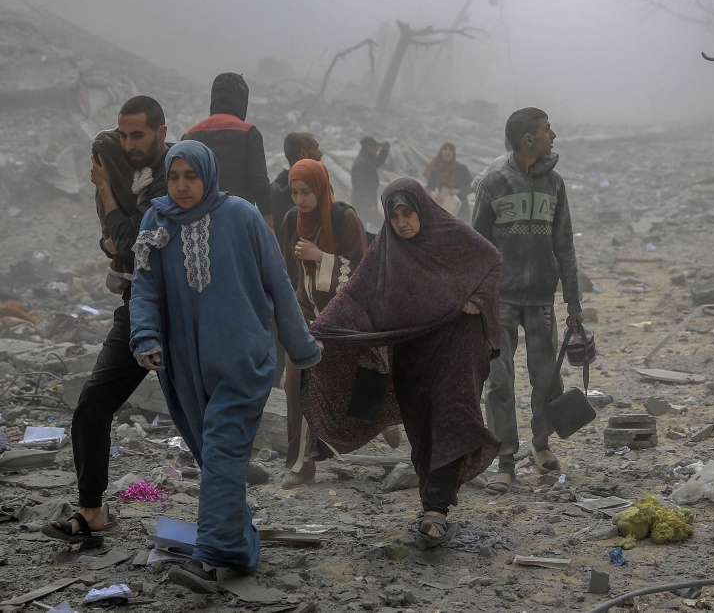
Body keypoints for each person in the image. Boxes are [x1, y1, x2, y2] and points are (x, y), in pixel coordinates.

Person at [129, 140, 322, 591]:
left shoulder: (242, 217)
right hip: (185, 366)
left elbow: (278, 281)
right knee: (213, 456)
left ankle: (208, 558)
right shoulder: (156, 221)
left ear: (208, 175)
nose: (181, 187)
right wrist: (145, 336)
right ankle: (239, 548)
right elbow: (144, 289)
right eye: (173, 177)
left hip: (242, 358)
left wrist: (302, 346)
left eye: (190, 177)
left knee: (220, 450)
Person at [301, 177, 501, 548]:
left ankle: (435, 510)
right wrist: (322, 329)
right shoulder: (386, 251)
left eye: (409, 214)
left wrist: (477, 295)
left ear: (422, 210)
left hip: (457, 346)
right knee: (423, 427)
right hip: (414, 353)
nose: (402, 223)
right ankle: (433, 500)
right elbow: (356, 294)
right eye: (394, 217)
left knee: (453, 416)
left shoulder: (450, 233)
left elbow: (489, 258)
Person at [44, 96, 169, 547]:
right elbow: (117, 243)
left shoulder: (171, 177)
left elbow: (131, 241)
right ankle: (92, 509)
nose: (129, 142)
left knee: (203, 416)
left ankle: (224, 519)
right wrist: (114, 235)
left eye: (138, 134)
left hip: (180, 311)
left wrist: (106, 194)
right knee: (93, 405)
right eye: (124, 134)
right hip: (138, 307)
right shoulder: (130, 174)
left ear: (161, 131)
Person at [472, 107, 584, 494]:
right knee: (500, 382)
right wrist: (474, 297)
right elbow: (477, 246)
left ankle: (541, 444)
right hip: (499, 300)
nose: (553, 136)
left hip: (540, 299)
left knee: (546, 379)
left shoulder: (555, 183)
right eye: (547, 131)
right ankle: (505, 461)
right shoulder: (493, 184)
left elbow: (564, 244)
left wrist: (573, 300)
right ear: (528, 140)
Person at [278, 158, 372, 488]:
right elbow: (288, 270)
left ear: (320, 187)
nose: (301, 200)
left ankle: (379, 420)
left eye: (307, 192)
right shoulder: (291, 220)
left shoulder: (344, 218)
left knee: (345, 386)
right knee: (295, 382)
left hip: (342, 317)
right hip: (305, 313)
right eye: (294, 192)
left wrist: (321, 257)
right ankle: (301, 463)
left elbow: (363, 272)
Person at [182, 72, 273, 229]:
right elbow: (260, 183)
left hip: (196, 227)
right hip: (237, 225)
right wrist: (269, 225)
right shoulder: (249, 133)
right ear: (242, 100)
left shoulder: (189, 135)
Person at [271, 132, 323, 233]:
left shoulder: (273, 189)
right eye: (316, 148)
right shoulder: (318, 186)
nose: (320, 153)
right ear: (304, 154)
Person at [424, 142, 473, 221]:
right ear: (441, 152)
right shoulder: (437, 170)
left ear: (453, 153)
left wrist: (459, 191)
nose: (447, 151)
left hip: (460, 208)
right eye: (445, 149)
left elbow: (472, 186)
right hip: (443, 206)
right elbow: (429, 187)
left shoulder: (461, 168)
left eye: (450, 150)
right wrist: (432, 193)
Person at [350, 136, 390, 229]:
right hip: (362, 204)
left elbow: (377, 162)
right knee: (361, 229)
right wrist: (369, 205)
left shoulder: (367, 159)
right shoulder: (361, 163)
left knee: (382, 225)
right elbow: (359, 187)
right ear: (369, 147)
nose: (377, 149)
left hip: (367, 202)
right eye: (375, 147)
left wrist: (384, 151)